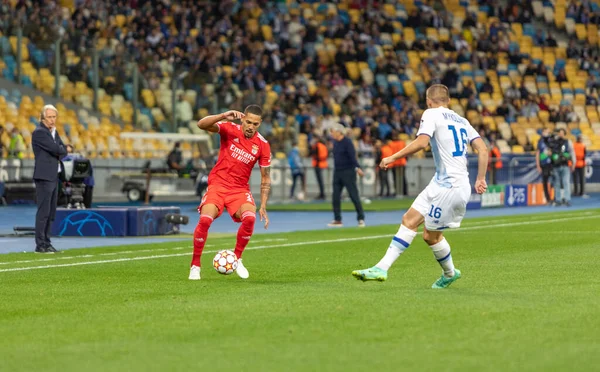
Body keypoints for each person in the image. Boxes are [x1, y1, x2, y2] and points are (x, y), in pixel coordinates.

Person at [352, 84, 488, 288]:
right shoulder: (462, 120)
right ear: (448, 100)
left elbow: (422, 142)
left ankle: (450, 273)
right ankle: (380, 268)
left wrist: (393, 157)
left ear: (428, 101)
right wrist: (481, 178)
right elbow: (483, 149)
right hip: (443, 182)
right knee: (409, 220)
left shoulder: (431, 114)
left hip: (450, 186)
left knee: (430, 236)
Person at [189, 105, 271, 280]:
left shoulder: (263, 145)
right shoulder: (229, 129)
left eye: (255, 124)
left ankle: (237, 258)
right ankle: (195, 265)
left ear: (260, 123)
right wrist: (222, 115)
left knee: (250, 218)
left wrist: (263, 205)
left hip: (239, 190)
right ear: (242, 119)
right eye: (248, 122)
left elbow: (265, 178)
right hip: (218, 185)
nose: (250, 126)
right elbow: (201, 125)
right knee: (205, 220)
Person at [32, 104, 67, 254]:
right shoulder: (40, 132)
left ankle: (47, 242)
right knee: (43, 212)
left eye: (54, 117)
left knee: (51, 212)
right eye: (50, 117)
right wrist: (58, 149)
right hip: (44, 176)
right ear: (42, 118)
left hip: (53, 176)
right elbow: (56, 149)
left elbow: (63, 150)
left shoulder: (54, 132)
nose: (52, 120)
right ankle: (40, 245)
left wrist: (58, 149)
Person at [327, 124, 365, 228]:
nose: (332, 134)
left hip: (348, 172)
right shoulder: (335, 143)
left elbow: (352, 156)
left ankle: (361, 218)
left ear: (339, 132)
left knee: (353, 195)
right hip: (337, 172)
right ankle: (337, 219)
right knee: (335, 196)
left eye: (333, 131)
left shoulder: (347, 142)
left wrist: (357, 168)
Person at [549, 128, 576, 206]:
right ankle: (558, 200)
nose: (560, 134)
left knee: (566, 182)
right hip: (555, 165)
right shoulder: (553, 142)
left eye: (562, 133)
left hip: (565, 165)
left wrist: (573, 163)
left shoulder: (568, 142)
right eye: (559, 133)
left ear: (564, 134)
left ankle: (567, 199)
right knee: (556, 183)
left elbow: (572, 152)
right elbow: (550, 152)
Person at [535, 128, 554, 204]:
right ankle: (548, 198)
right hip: (544, 164)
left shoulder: (551, 140)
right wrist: (538, 165)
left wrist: (551, 153)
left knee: (554, 180)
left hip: (551, 163)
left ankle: (554, 196)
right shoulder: (540, 142)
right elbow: (538, 154)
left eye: (548, 132)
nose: (547, 133)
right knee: (545, 181)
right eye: (546, 132)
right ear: (542, 133)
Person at [311, 134, 328, 200]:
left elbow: (315, 154)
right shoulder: (323, 146)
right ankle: (322, 193)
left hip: (318, 164)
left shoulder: (317, 145)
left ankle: (322, 194)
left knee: (320, 181)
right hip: (323, 164)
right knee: (321, 181)